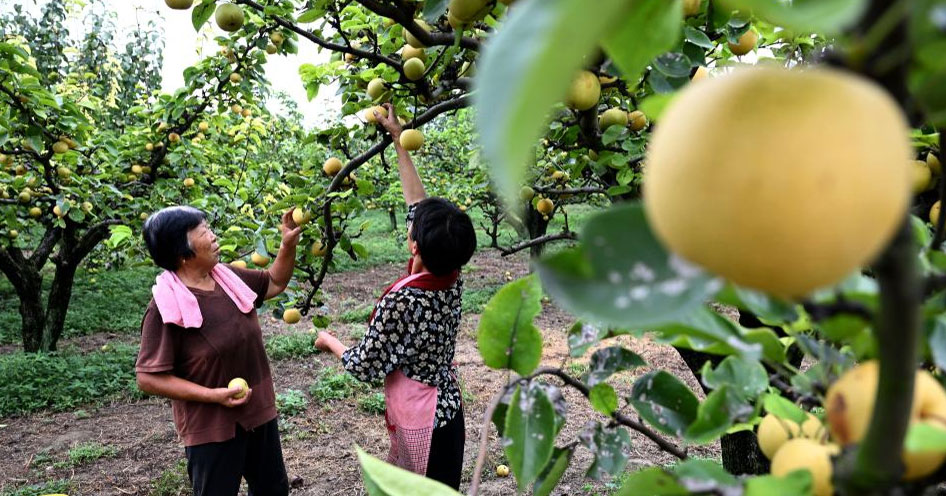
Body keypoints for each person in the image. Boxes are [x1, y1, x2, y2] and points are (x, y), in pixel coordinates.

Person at [315, 103, 477, 490]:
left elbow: (365, 365)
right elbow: (417, 204)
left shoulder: (401, 303)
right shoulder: (452, 274)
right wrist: (397, 138)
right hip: (449, 409)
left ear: (413, 244)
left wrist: (330, 342)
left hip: (424, 421)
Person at [135, 205, 301, 496]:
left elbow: (275, 282)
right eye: (204, 232)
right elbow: (149, 378)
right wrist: (213, 396)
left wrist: (287, 245)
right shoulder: (165, 306)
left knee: (273, 491)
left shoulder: (227, 278)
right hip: (211, 427)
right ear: (182, 251)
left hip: (257, 413)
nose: (214, 237)